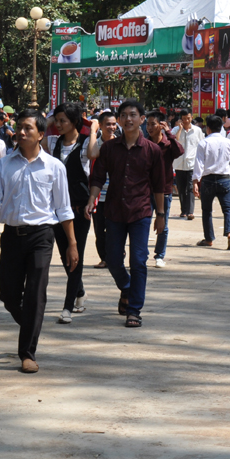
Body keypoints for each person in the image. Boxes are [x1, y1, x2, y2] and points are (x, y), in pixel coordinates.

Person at [0, 109, 77, 373]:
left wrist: (71, 244)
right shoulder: (4, 164)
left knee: (36, 294)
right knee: (9, 295)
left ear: (40, 134)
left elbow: (64, 209)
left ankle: (27, 352)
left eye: (27, 128)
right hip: (11, 236)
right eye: (19, 128)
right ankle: (31, 324)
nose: (21, 133)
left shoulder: (54, 167)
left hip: (41, 237)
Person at [86, 100, 166, 328]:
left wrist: (160, 214)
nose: (128, 119)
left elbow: (159, 184)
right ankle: (128, 288)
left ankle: (134, 309)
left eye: (133, 115)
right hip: (113, 210)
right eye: (124, 115)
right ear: (119, 120)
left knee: (138, 260)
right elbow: (98, 177)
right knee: (112, 259)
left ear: (142, 119)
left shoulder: (153, 150)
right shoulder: (109, 148)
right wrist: (91, 199)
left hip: (141, 211)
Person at [44, 103, 95, 321]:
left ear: (74, 122)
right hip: (56, 210)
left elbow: (93, 154)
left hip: (79, 209)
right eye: (57, 120)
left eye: (63, 120)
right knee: (66, 255)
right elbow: (41, 135)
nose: (58, 124)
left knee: (76, 256)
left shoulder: (85, 144)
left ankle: (67, 307)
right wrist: (49, 121)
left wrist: (92, 129)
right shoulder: (54, 142)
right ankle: (79, 291)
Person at [192, 115, 230, 250]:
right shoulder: (228, 142)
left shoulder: (203, 143)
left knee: (207, 210)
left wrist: (195, 181)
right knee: (228, 209)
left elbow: (199, 164)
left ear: (208, 128)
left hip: (207, 180)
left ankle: (209, 239)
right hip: (224, 178)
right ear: (221, 128)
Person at [145, 111, 183, 267]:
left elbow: (180, 151)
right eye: (147, 124)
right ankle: (142, 254)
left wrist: (169, 132)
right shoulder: (144, 144)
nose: (149, 128)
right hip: (146, 191)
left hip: (165, 190)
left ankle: (159, 255)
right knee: (143, 223)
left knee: (163, 225)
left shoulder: (168, 144)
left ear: (161, 125)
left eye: (153, 124)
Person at [88, 110, 119, 269]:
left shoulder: (120, 144)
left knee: (115, 230)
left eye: (114, 124)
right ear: (100, 126)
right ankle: (104, 258)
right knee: (100, 230)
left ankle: (115, 256)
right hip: (98, 195)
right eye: (108, 124)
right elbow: (91, 157)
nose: (111, 127)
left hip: (116, 196)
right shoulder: (94, 144)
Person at [171, 110, 203, 220]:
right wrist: (180, 129)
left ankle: (190, 211)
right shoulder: (175, 130)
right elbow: (175, 142)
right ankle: (183, 210)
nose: (186, 121)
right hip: (179, 164)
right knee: (181, 188)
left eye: (188, 118)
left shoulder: (197, 131)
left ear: (191, 117)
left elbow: (201, 145)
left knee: (190, 188)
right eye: (184, 119)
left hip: (192, 163)